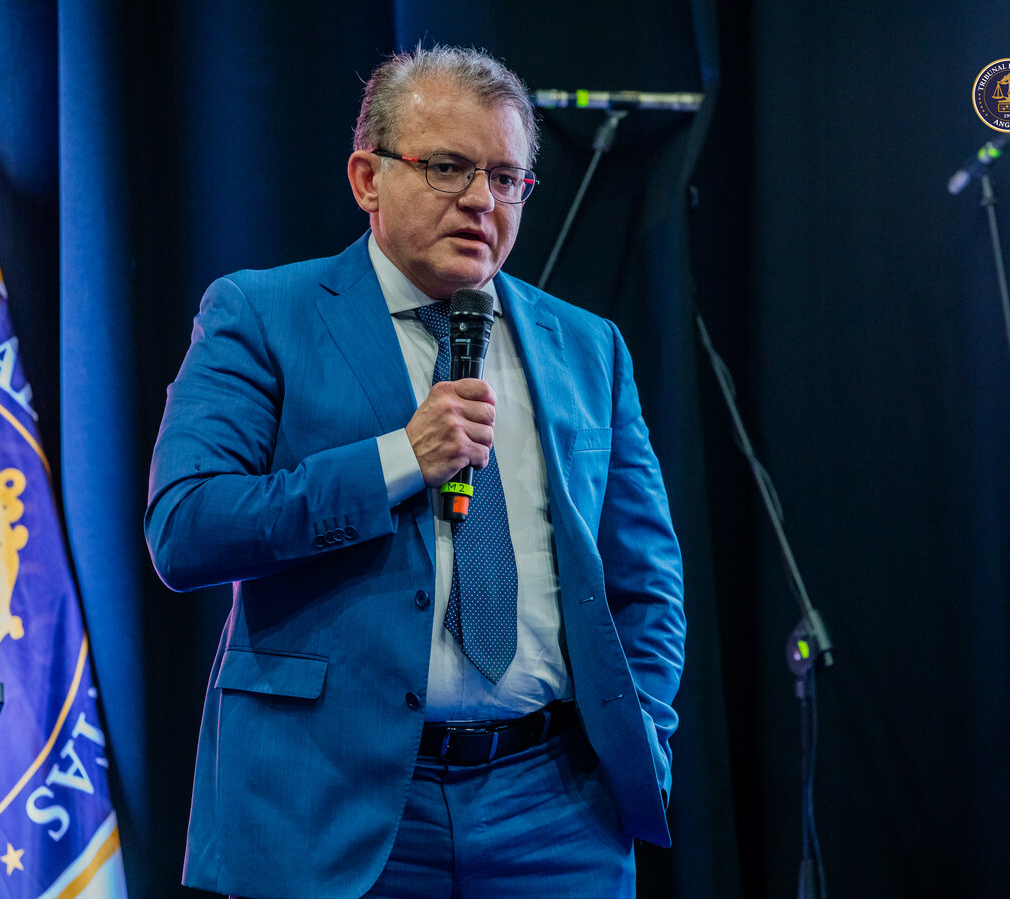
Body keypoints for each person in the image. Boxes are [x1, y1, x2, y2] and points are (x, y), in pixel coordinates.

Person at [145, 44, 685, 899]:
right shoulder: (262, 314)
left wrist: (642, 728)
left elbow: (646, 577)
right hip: (329, 805)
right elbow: (186, 527)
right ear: (368, 178)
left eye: (505, 178)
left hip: (556, 813)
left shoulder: (588, 346)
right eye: (447, 168)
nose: (481, 200)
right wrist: (400, 458)